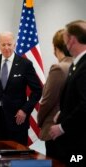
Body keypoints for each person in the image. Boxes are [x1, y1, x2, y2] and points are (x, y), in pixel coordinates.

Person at [0, 32, 42, 145]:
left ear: (14, 45)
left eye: (9, 44)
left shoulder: (25, 64)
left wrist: (25, 110)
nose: (6, 48)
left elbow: (37, 90)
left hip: (18, 118)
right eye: (3, 45)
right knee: (0, 152)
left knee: (18, 156)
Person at [49, 20, 86, 165]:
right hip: (73, 139)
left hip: (80, 142)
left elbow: (84, 104)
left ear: (71, 40)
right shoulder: (76, 64)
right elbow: (75, 98)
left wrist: (62, 127)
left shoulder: (84, 66)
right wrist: (62, 112)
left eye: (65, 37)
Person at [37, 29, 72, 158]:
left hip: (55, 130)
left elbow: (47, 101)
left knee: (56, 162)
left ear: (55, 47)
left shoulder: (59, 68)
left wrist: (39, 121)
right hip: (72, 129)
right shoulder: (79, 65)